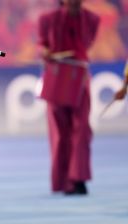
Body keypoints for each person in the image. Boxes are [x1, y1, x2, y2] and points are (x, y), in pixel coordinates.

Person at [38, 0, 100, 195]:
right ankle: (63, 181)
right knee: (59, 131)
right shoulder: (47, 20)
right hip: (56, 76)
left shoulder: (92, 19)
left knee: (82, 128)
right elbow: (42, 47)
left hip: (79, 76)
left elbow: (87, 43)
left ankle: (78, 178)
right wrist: (46, 53)